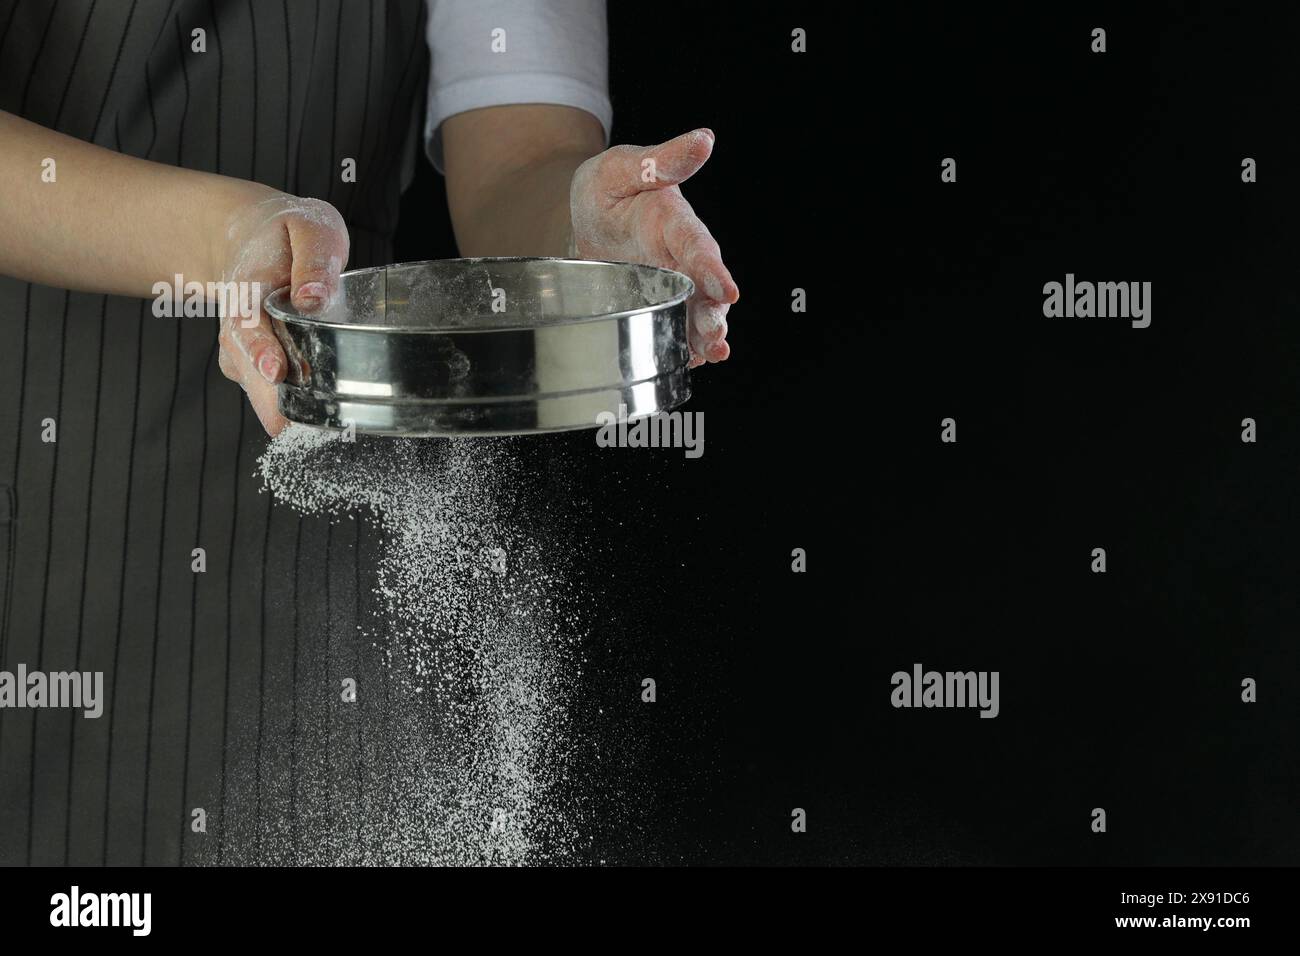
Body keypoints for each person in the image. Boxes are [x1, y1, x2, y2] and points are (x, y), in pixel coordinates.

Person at [0, 0, 737, 865]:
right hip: (42, 519)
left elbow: (519, 157)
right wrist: (228, 234)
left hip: (316, 544)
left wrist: (574, 241)